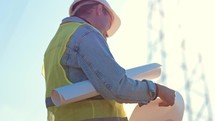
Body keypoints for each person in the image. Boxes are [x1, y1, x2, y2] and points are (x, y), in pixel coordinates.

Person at [42, 0, 175, 121]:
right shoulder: (85, 33)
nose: (106, 34)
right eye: (108, 25)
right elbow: (118, 87)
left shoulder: (55, 44)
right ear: (99, 10)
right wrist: (157, 90)